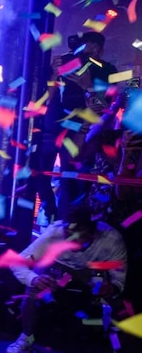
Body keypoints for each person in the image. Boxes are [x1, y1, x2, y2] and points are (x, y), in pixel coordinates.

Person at [6, 206, 133, 353]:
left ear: (93, 234)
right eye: (68, 235)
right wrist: (34, 279)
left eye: (79, 237)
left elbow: (119, 276)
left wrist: (113, 287)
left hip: (91, 269)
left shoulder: (111, 239)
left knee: (116, 301)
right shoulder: (54, 233)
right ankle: (26, 338)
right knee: (33, 289)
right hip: (56, 265)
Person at [37, 32, 117, 218]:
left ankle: (65, 223)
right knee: (40, 175)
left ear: (100, 49)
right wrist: (54, 75)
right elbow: (46, 98)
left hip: (79, 130)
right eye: (86, 47)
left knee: (69, 179)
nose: (90, 52)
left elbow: (102, 107)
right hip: (52, 125)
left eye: (94, 47)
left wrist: (87, 86)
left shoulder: (106, 70)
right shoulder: (66, 61)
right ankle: (51, 212)